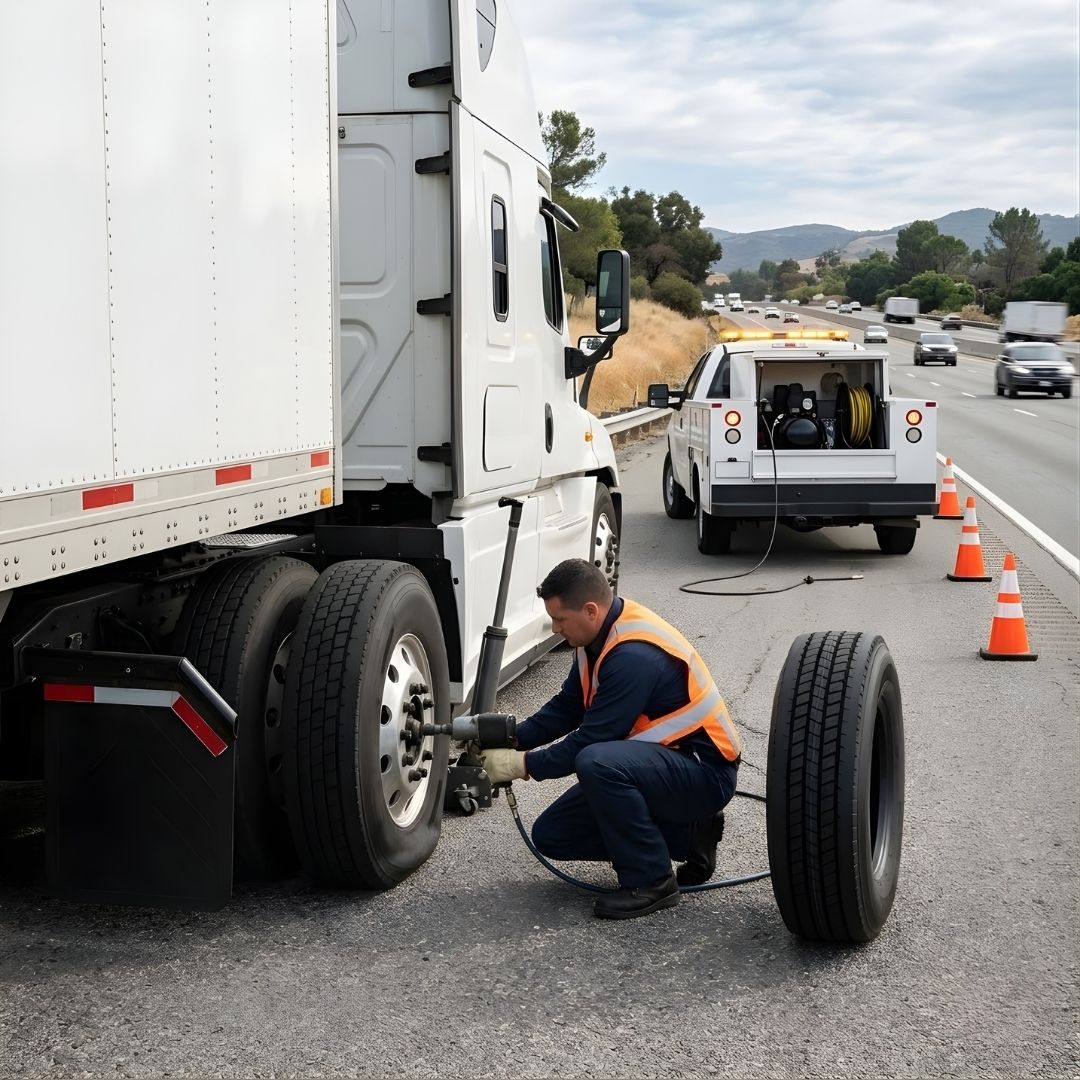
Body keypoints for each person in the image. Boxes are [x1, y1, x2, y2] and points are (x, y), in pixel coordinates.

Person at [480, 558, 742, 920]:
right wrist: (512, 739)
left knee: (596, 762)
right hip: (660, 765)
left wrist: (521, 765)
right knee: (552, 835)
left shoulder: (632, 655)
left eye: (560, 619)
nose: (555, 629)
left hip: (703, 773)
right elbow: (567, 707)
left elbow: (593, 738)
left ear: (590, 610)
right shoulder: (594, 641)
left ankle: (652, 881)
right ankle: (690, 834)